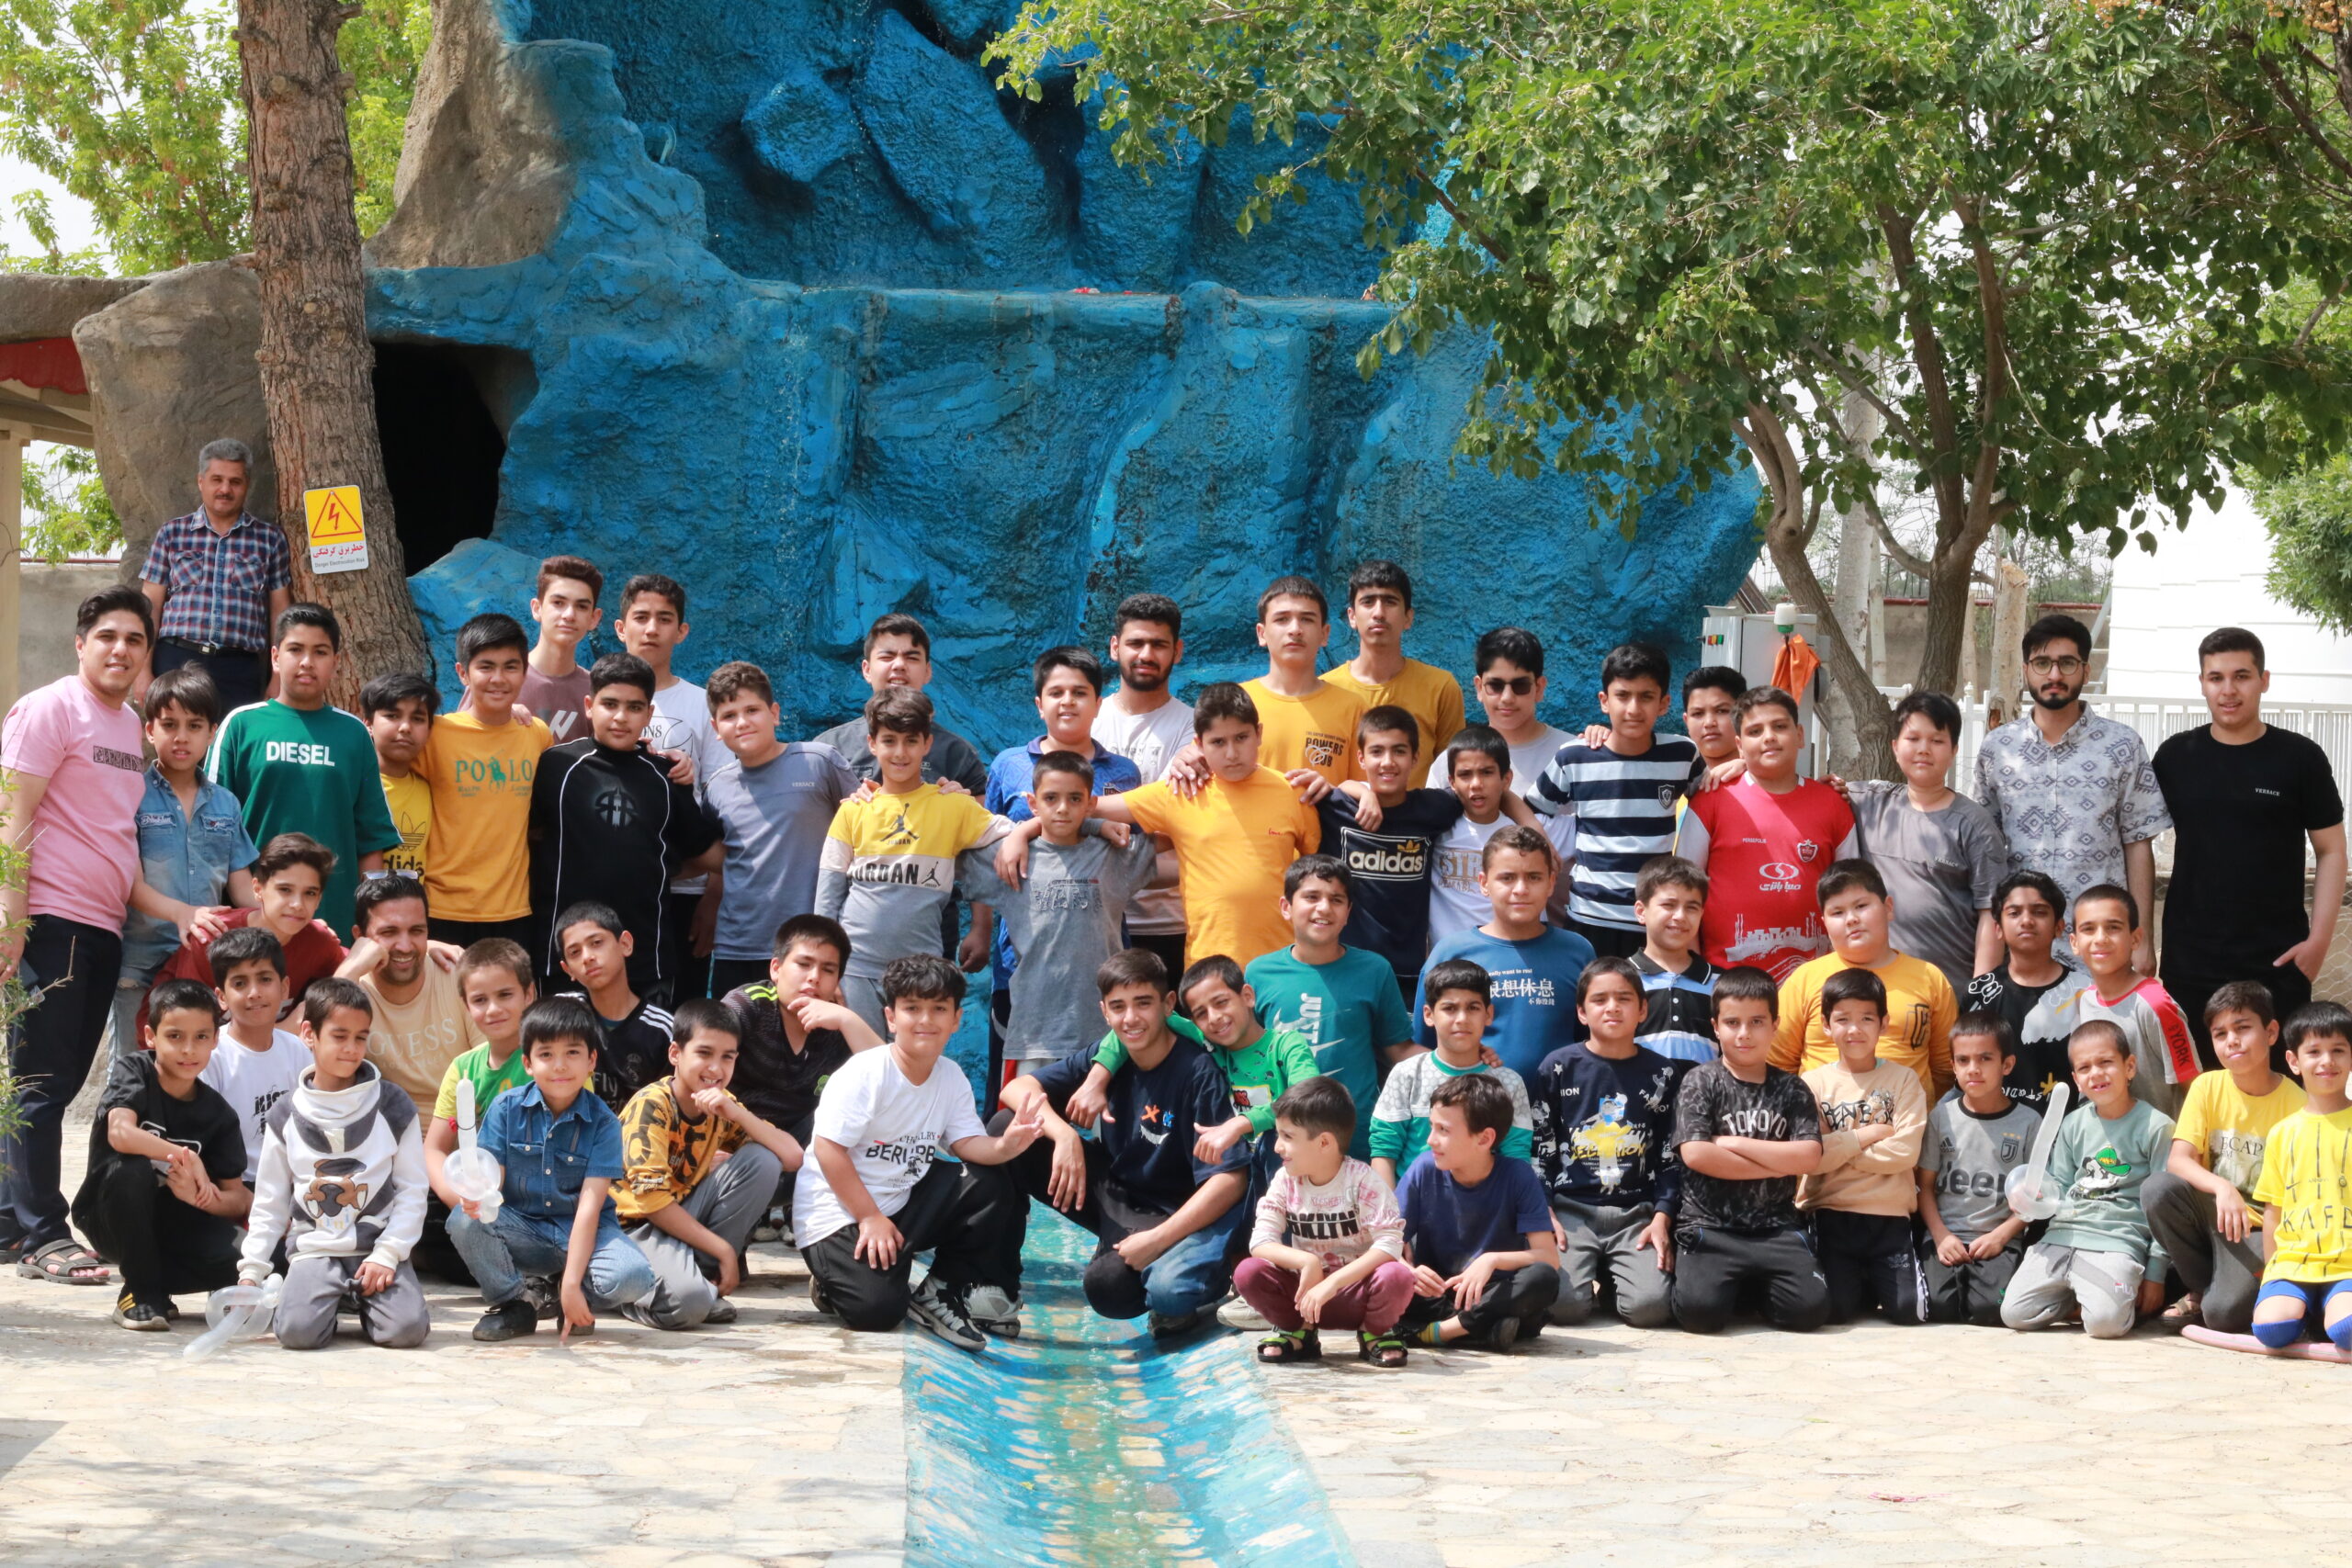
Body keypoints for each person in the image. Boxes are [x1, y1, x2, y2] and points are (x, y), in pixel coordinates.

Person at [2, 587, 153, 1285]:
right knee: (40, 1081)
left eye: (134, 639)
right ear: (80, 643)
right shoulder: (51, 708)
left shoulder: (129, 727)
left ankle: (9, 1224)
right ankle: (43, 1234)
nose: (120, 649)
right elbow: (12, 813)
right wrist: (12, 920)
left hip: (102, 926)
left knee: (53, 1085)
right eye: (108, 636)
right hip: (49, 921)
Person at [998, 950, 1252, 1337]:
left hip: (1168, 1210)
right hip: (1114, 1189)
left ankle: (1202, 1276)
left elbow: (1230, 1180)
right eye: (1118, 1007)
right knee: (1007, 1130)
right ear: (1104, 1011)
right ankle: (994, 1280)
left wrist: (1158, 1239)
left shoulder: (1197, 1071)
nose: (1130, 1018)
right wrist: (1064, 1135)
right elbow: (1017, 1089)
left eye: (1143, 1003)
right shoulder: (1109, 1056)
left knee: (1114, 1288)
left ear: (1168, 1004)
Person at [798, 956, 1041, 1348]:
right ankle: (833, 1280)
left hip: (899, 1203)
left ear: (956, 1019)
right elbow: (828, 1149)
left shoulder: (951, 1076)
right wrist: (869, 1217)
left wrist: (1005, 1145)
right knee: (878, 1311)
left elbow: (966, 1144)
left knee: (992, 1183)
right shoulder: (866, 1073)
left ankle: (940, 1290)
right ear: (891, 1017)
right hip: (839, 1214)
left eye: (938, 1009)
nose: (925, 1020)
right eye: (912, 1008)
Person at [2154, 627, 2345, 1067]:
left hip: (2276, 960)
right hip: (2190, 960)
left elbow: (2332, 850)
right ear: (2202, 683)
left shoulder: (2300, 758)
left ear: (2264, 680)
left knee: (2279, 1086)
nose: (2228, 690)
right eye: (2216, 678)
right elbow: (2135, 841)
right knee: (2197, 1088)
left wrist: (2318, 942)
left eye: (2241, 676)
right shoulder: (2175, 757)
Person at [446, 996, 657, 1342]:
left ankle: (571, 1295)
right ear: (528, 1063)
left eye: (572, 1052)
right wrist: (479, 1197)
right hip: (524, 1227)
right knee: (464, 1219)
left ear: (591, 1060)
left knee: (633, 1277)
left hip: (585, 1231)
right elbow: (492, 1180)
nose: (559, 1066)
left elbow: (589, 1210)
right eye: (546, 1054)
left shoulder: (605, 1123)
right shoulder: (505, 1108)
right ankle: (515, 1303)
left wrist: (571, 1285)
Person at [237, 977, 431, 1350]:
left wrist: (389, 1254)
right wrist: (252, 1271)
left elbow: (412, 1190)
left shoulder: (393, 1105)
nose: (352, 1049)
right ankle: (323, 1296)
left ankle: (368, 1299)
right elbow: (270, 1201)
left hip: (376, 1249)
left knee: (405, 1330)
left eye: (361, 1037)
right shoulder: (285, 1114)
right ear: (308, 1034)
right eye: (340, 1036)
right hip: (315, 1251)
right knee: (297, 1333)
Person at [1973, 612, 2170, 973]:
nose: (2054, 675)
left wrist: (2142, 940)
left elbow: (2138, 842)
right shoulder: (1998, 748)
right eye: (2042, 663)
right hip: (2022, 948)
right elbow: (1986, 848)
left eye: (2067, 663)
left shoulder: (2122, 745)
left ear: (2086, 670)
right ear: (2025, 670)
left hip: (2100, 945)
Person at [1080, 682, 1320, 976]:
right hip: (1207, 972)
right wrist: (1033, 828)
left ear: (1259, 734)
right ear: (1198, 744)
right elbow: (1086, 806)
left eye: (1241, 737)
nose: (1231, 753)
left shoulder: (1293, 793)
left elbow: (1322, 873)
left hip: (1281, 967)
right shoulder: (1181, 792)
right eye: (1218, 742)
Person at [527, 651, 722, 998]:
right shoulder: (556, 767)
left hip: (647, 958)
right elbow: (527, 837)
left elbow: (711, 855)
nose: (621, 717)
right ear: (589, 706)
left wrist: (660, 867)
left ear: (649, 713)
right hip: (566, 960)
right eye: (610, 704)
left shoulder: (666, 777)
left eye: (634, 707)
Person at [817, 687, 1012, 1032]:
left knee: (916, 1057)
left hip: (922, 969)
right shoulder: (853, 810)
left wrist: (1090, 825)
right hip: (856, 968)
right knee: (860, 1059)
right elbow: (827, 898)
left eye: (910, 741)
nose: (900, 752)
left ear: (927, 744)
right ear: (872, 744)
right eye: (889, 741)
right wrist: (826, 968)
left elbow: (1015, 834)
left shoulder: (954, 806)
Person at [981, 648, 1143, 1059]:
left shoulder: (1123, 772)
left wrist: (1041, 827)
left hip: (1100, 952)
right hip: (1023, 957)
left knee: (1103, 1071)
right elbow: (985, 845)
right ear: (1039, 704)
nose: (1068, 701)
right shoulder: (1009, 765)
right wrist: (979, 931)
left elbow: (1130, 847)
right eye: (1056, 693)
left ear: (1098, 703)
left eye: (1079, 692)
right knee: (1021, 1073)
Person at [206, 604, 400, 942]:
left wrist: (371, 918)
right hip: (253, 922)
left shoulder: (354, 733)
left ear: (336, 662)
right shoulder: (240, 725)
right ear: (275, 657)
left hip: (334, 924)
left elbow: (371, 838)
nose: (307, 662)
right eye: (295, 649)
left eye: (320, 652)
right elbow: (210, 828)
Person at [959, 750, 1157, 1079]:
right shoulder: (1008, 857)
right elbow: (948, 837)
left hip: (1107, 1035)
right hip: (1033, 1034)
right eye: (1051, 798)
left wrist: (1095, 825)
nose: (1063, 808)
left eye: (1075, 799)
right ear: (1032, 803)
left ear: (1090, 803)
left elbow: (1180, 834)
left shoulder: (1113, 854)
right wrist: (1021, 832)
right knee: (1030, 1112)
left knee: (1099, 1113)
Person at [70, 979, 251, 1328]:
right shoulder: (134, 1071)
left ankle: (155, 1283)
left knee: (258, 1259)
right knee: (131, 1170)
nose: (188, 1050)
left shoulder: (219, 1114)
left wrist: (201, 1198)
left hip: (174, 1227)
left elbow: (239, 1199)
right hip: (109, 1215)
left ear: (216, 1039)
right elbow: (120, 1133)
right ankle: (138, 1292)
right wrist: (187, 1156)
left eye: (201, 1037)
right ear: (151, 1036)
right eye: (175, 1036)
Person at [614, 1000, 802, 1330]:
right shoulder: (652, 1105)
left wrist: (738, 1113)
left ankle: (697, 1277)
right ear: (675, 1054)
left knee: (762, 1160)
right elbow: (652, 1204)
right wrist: (724, 1250)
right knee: (688, 1306)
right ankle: (621, 1294)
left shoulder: (722, 1105)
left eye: (727, 1057)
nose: (716, 1069)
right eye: (704, 1053)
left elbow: (792, 1157)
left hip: (681, 1214)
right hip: (633, 1228)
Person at [1668, 966, 1831, 1335]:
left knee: (1808, 1313)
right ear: (1715, 1026)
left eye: (1757, 1022)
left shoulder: (1792, 1088)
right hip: (1711, 1226)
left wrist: (1732, 1143)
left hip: (1776, 1227)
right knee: (1699, 1315)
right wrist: (1779, 1163)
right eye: (1733, 1023)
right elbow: (1697, 1155)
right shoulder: (1701, 1081)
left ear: (1775, 1025)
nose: (1744, 1033)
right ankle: (1735, 1287)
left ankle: (1752, 1289)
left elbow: (1809, 1157)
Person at [1528, 956, 1686, 1328]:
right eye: (1599, 1000)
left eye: (1623, 998)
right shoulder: (1557, 1067)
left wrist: (1662, 1216)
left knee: (1650, 1309)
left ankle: (1616, 1280)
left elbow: (1670, 1156)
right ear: (1582, 1012)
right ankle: (1589, 1269)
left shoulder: (1663, 1073)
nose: (1612, 1007)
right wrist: (1544, 1210)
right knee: (1563, 1308)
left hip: (1635, 1212)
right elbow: (1539, 1150)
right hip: (1572, 1210)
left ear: (1643, 1009)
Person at [116, 665, 258, 1065]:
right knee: (133, 1070)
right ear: (149, 730)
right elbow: (130, 885)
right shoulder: (132, 795)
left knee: (196, 1068)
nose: (181, 737)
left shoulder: (226, 803)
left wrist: (280, 920)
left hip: (203, 962)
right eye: (169, 725)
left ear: (211, 733)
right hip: (140, 964)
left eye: (194, 726)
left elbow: (242, 889)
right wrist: (183, 913)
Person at [2144, 982, 2303, 1336]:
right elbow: (2178, 1160)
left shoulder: (2297, 1105)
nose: (2232, 1040)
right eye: (2220, 1034)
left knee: (2223, 1317)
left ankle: (2220, 1294)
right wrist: (2223, 1188)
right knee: (2158, 1189)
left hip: (2260, 1230)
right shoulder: (2207, 1086)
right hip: (2213, 1214)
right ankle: (2200, 1288)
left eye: (2242, 1028)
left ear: (2271, 1032)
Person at [1526, 642, 1704, 959]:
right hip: (1588, 919)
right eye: (1623, 696)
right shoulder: (1575, 757)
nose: (1633, 708)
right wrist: (1545, 845)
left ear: (1664, 703)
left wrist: (1735, 765)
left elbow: (1714, 794)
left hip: (1654, 920)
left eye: (1646, 696)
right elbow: (1531, 807)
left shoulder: (1682, 754)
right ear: (1604, 701)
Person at [2000, 1020, 2175, 1339]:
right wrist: (2033, 1197)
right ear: (2076, 1079)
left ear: (2130, 1066)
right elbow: (2059, 1187)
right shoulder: (2072, 1124)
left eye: (2105, 1062)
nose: (2096, 1073)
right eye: (2085, 1067)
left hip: (2117, 1242)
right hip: (2062, 1237)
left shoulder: (2157, 1126)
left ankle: (2097, 1297)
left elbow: (2164, 1208)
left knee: (2105, 1325)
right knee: (2015, 1314)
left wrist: (2156, 1273)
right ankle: (2081, 1295)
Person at [1675, 686, 1858, 981]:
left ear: (1800, 735)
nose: (1769, 737)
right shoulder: (1710, 800)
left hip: (1815, 984)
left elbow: (1852, 893)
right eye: (1755, 731)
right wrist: (1695, 974)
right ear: (1739, 744)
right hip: (1725, 983)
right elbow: (1683, 890)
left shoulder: (1833, 804)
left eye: (1780, 727)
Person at [699, 660, 855, 999]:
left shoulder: (819, 762)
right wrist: (708, 906)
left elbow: (866, 828)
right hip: (739, 947)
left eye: (752, 710)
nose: (742, 722)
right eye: (729, 716)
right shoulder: (717, 787)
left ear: (774, 713)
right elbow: (719, 858)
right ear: (715, 727)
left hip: (812, 947)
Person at [718, 914, 882, 1235]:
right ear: (776, 969)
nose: (814, 978)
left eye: (828, 970)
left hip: (803, 1157)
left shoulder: (837, 1024)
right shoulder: (746, 1008)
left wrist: (849, 1021)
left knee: (865, 1116)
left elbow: (891, 1080)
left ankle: (833, 1239)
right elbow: (696, 1076)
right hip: (733, 1153)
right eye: (804, 964)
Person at [1244, 857, 1417, 1161]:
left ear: (1348, 912)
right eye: (1311, 897)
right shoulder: (1259, 973)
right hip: (1281, 1144)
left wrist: (1462, 1057)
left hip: (1356, 1143)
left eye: (1336, 900)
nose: (1324, 908)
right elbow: (1247, 1054)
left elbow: (1399, 1049)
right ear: (1286, 907)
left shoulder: (1374, 970)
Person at [1237, 1076, 1417, 1366]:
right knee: (1249, 1272)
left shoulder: (1363, 1181)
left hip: (1357, 1294)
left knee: (1397, 1276)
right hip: (1304, 1298)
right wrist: (1307, 1262)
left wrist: (1333, 1283)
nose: (1277, 1147)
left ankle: (1375, 1332)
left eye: (1287, 1137)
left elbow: (1389, 1244)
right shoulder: (1285, 1180)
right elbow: (1261, 1241)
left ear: (1324, 1142)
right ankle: (1299, 1332)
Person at [1844, 689, 2008, 993]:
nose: (1924, 749)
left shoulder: (1974, 825)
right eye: (1913, 738)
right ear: (1895, 747)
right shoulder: (1868, 803)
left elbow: (1992, 915)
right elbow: (1803, 791)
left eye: (1937, 741)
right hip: (1876, 994)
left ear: (1954, 750)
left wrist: (1979, 997)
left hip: (1948, 992)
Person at [616, 573, 730, 1002]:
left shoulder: (702, 705)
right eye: (641, 617)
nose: (651, 629)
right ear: (620, 627)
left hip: (686, 889)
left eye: (664, 619)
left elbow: (723, 805)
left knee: (682, 1008)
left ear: (681, 631)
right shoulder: (600, 697)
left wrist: (714, 896)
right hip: (615, 886)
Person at [1794, 968, 1928, 1325]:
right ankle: (1858, 1284)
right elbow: (1811, 1158)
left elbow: (1905, 1153)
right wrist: (1869, 1134)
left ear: (1884, 1023)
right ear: (1826, 1025)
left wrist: (1837, 1149)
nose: (1855, 1029)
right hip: (1831, 1212)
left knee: (1909, 1311)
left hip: (1889, 1216)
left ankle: (1868, 1281)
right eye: (1843, 1019)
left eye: (1867, 1018)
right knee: (1834, 1311)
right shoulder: (1812, 1083)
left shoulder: (1903, 1080)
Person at [1395, 1074, 1563, 1350]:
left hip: (1494, 1293)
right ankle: (1484, 1330)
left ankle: (1443, 1332)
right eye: (1431, 1127)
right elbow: (1382, 1243)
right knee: (1390, 1278)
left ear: (1484, 1139)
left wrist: (1492, 1260)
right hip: (1438, 1292)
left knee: (1543, 1278)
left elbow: (1548, 1257)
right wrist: (1407, 1270)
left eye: (1443, 1130)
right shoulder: (1423, 1169)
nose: (1431, 1140)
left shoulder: (1518, 1176)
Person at [1413, 827, 1595, 1080]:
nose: (1520, 889)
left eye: (1534, 877)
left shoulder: (1578, 952)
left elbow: (1590, 1040)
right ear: (1484, 883)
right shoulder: (1451, 953)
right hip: (1472, 1100)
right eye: (1507, 878)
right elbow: (1424, 1045)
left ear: (1551, 882)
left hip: (1560, 1101)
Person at [1771, 860, 1958, 1103]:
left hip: (1907, 1122)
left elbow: (1946, 1069)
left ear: (1888, 907)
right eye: (1837, 912)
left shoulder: (1929, 978)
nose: (1851, 919)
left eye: (1861, 906)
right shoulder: (1804, 980)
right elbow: (1778, 1065)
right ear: (1824, 922)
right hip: (1820, 1123)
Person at [419, 613, 553, 949]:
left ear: (525, 672)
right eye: (486, 667)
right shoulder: (435, 734)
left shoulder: (536, 734)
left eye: (510, 667)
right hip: (442, 908)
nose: (498, 678)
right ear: (463, 673)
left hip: (513, 909)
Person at [139, 437, 290, 714]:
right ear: (201, 482)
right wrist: (142, 672)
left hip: (240, 670)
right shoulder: (172, 534)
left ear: (247, 484)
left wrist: (278, 676)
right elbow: (150, 607)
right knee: (176, 739)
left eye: (235, 482)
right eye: (216, 480)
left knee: (235, 741)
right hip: (175, 661)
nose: (225, 489)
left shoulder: (270, 539)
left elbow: (280, 611)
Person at [2018, 885, 2198, 1117]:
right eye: (2089, 929)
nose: (2100, 939)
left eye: (2113, 927)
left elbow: (2194, 1087)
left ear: (2135, 938)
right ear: (2074, 942)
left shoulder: (2156, 1005)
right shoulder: (2085, 1000)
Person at [145, 832, 344, 1038]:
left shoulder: (319, 941)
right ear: (257, 889)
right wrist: (289, 1026)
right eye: (285, 890)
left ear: (319, 899)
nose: (297, 904)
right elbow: (185, 1029)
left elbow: (353, 974)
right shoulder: (212, 935)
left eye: (309, 893)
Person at [1091, 592, 1194, 979]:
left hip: (1170, 921)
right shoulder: (1088, 719)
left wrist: (1092, 810)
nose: (1146, 654)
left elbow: (1179, 822)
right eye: (1135, 643)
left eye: (1159, 645)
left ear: (1177, 651)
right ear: (1115, 647)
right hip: (1094, 918)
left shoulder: (1196, 729)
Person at [422, 938, 538, 1280]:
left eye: (505, 995)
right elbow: (433, 1149)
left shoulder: (553, 1058)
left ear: (529, 994)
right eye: (480, 1000)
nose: (493, 1009)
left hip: (542, 1198)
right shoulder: (463, 1068)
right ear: (465, 1005)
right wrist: (460, 1201)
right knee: (418, 1222)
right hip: (481, 1199)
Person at [1917, 1014, 2039, 1325]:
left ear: (2007, 1065)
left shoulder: (2029, 1123)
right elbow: (1925, 1187)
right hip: (1947, 1237)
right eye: (1963, 1060)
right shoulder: (1940, 1118)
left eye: (1985, 1058)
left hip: (1999, 1240)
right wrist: (1941, 1236)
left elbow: (2036, 1198)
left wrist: (2001, 1235)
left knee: (1990, 1310)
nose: (1973, 1068)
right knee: (1937, 1307)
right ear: (1953, 1066)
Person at [2247, 1002, 2352, 1352]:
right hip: (2293, 1264)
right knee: (2271, 1330)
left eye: (2338, 1050)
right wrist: (2271, 1273)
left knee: (2348, 1330)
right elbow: (2273, 1211)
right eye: (2314, 1052)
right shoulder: (2282, 1133)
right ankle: (2308, 1310)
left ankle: (2330, 1311)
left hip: (2348, 1265)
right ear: (2293, 1061)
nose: (2327, 1061)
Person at [1373, 959, 1535, 1180]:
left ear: (1488, 1014)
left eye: (1473, 1008)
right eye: (1449, 1008)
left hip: (1487, 1201)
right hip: (1411, 1201)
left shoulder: (1509, 1083)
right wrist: (1390, 1204)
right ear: (1428, 1015)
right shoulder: (1407, 1074)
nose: (1462, 1019)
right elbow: (1384, 1151)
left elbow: (1516, 1157)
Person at [339, 873, 478, 1120]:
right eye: (389, 932)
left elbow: (500, 1071)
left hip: (470, 1131)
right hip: (389, 1136)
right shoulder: (350, 990)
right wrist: (351, 968)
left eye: (416, 931)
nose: (405, 946)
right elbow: (314, 1050)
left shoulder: (458, 976)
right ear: (360, 936)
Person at [812, 611, 993, 795]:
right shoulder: (830, 749)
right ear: (867, 670)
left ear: (927, 671)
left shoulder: (957, 754)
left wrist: (963, 803)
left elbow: (984, 809)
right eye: (887, 657)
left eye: (912, 658)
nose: (899, 665)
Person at [1320, 561, 1465, 788]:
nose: (1378, 613)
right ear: (1352, 616)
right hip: (1344, 810)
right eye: (1368, 602)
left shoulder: (1440, 687)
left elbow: (1453, 775)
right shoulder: (1325, 689)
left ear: (1408, 617)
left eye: (1390, 601)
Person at [193, 925, 308, 1183]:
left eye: (265, 979)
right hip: (233, 1185)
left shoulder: (298, 1051)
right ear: (222, 997)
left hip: (295, 1183)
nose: (254, 993)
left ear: (285, 987)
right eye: (240, 983)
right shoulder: (211, 1056)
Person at [1962, 870, 2086, 1109]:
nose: (2027, 920)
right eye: (2014, 913)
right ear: (1998, 928)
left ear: (2059, 926)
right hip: (1992, 1124)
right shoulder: (1979, 993)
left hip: (2066, 1125)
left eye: (2039, 912)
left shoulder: (2084, 993)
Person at [551, 902, 675, 1109]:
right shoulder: (560, 1011)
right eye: (574, 952)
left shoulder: (663, 1030)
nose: (587, 957)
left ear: (625, 944)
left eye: (596, 943)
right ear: (568, 969)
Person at [1242, 575, 1361, 792]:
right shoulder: (1237, 703)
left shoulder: (1353, 709)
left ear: (1324, 634)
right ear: (1262, 633)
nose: (1295, 629)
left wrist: (1333, 792)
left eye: (1307, 619)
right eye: (1282, 619)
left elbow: (1365, 791)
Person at [1428, 727, 1532, 944]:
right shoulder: (1435, 829)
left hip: (1505, 952)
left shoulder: (1520, 835)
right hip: (1448, 957)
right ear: (1452, 782)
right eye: (1465, 775)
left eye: (1486, 772)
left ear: (1506, 779)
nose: (1476, 784)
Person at [1630, 855, 1719, 1064]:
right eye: (1669, 905)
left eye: (1691, 907)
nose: (1680, 916)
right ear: (1641, 912)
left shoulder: (1720, 984)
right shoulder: (1619, 979)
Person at [512, 555, 604, 742]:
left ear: (594, 618)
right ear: (537, 608)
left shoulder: (598, 692)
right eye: (558, 603)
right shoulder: (496, 680)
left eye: (581, 606)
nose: (569, 615)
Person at [1471, 626, 1573, 789]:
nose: (1507, 698)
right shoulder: (1454, 762)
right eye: (1495, 685)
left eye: (1520, 685)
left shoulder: (1574, 756)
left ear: (1539, 688)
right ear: (1479, 687)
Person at [360, 671, 437, 879]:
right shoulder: (355, 788)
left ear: (430, 730)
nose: (405, 728)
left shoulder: (431, 790)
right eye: (392, 716)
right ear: (368, 724)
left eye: (418, 719)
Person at [1679, 665, 1748, 772]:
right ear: (1686, 721)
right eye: (1698, 713)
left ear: (1744, 716)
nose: (1709, 723)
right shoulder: (1672, 775)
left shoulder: (1766, 775)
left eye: (1721, 711)